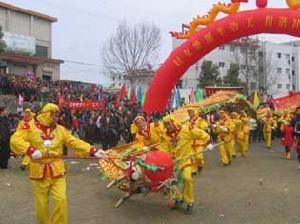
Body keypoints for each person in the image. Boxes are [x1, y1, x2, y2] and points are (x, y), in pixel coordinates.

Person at [10, 103, 106, 224]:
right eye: (55, 115)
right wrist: (30, 150)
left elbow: (74, 142)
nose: (57, 118)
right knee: (41, 205)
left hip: (57, 171)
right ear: (47, 115)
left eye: (57, 115)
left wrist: (93, 150)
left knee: (61, 200)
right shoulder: (30, 127)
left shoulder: (60, 130)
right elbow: (15, 139)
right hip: (38, 172)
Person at [160, 115, 212, 214]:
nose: (168, 126)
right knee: (168, 184)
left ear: (173, 122)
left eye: (169, 124)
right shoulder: (165, 136)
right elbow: (164, 149)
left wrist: (208, 142)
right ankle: (178, 199)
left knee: (187, 178)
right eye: (166, 125)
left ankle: (189, 201)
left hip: (186, 159)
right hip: (174, 162)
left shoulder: (186, 128)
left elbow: (200, 133)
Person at [187, 107, 209, 173]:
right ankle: (193, 170)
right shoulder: (187, 121)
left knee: (199, 156)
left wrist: (198, 128)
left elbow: (205, 126)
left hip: (198, 140)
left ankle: (200, 164)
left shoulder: (199, 119)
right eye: (188, 112)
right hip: (191, 142)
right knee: (192, 156)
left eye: (191, 112)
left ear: (194, 112)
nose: (189, 113)